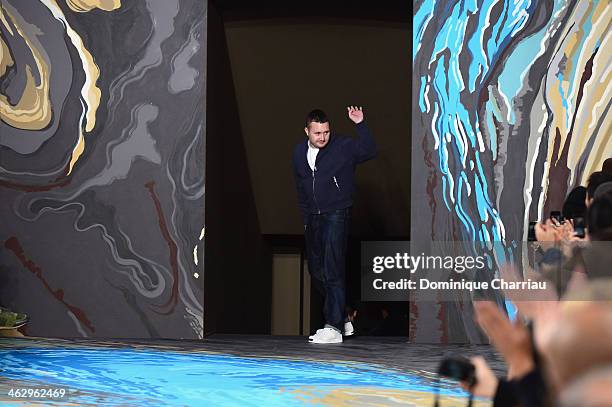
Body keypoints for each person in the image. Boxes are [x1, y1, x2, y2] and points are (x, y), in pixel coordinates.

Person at [292, 106, 376, 344]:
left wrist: (360, 124)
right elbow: (300, 184)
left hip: (337, 212)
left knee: (333, 267)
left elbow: (370, 150)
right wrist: (305, 214)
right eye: (317, 133)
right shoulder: (299, 152)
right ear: (307, 131)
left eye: (326, 132)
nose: (322, 137)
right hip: (313, 216)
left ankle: (333, 327)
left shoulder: (342, 146)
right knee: (316, 270)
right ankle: (344, 314)